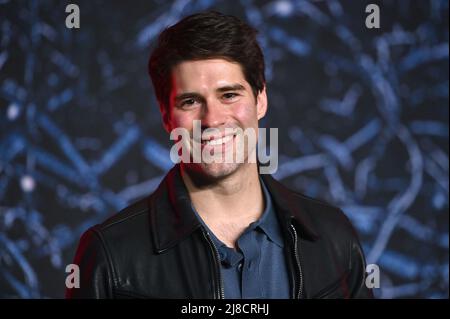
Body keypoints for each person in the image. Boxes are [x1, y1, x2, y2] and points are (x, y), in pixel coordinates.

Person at [66, 11, 373, 299]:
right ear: (165, 115)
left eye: (229, 95)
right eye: (190, 102)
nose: (212, 120)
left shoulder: (334, 239)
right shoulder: (110, 257)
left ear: (260, 99)